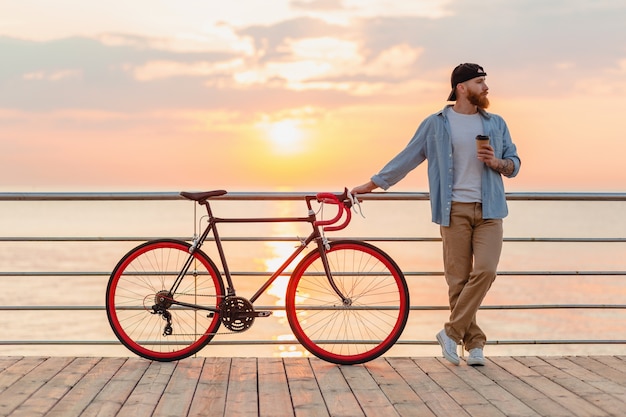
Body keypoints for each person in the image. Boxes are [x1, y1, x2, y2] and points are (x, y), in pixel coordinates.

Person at [351, 63, 521, 366]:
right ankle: (476, 345)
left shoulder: (496, 123)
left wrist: (497, 163)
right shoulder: (436, 124)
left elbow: (514, 163)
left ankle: (451, 333)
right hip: (453, 210)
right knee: (458, 282)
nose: (486, 87)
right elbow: (408, 157)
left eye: (485, 82)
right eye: (480, 82)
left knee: (485, 271)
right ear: (461, 88)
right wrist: (372, 184)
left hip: (490, 210)